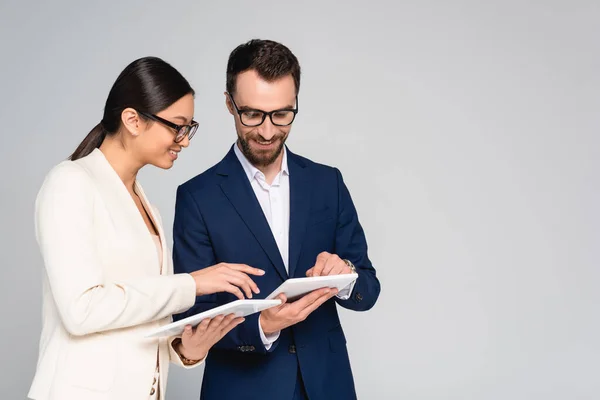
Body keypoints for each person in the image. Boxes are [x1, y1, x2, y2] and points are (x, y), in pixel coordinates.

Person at [28, 56, 265, 400]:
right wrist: (192, 284)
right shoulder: (70, 183)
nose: (184, 140)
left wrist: (186, 348)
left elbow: (136, 324)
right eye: (177, 126)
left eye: (189, 128)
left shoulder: (145, 203)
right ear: (132, 120)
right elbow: (82, 311)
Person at [172, 39, 381, 400]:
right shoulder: (197, 197)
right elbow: (190, 318)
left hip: (328, 386)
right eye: (252, 114)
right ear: (229, 104)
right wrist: (263, 325)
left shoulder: (327, 182)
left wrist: (344, 273)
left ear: (296, 103)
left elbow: (368, 289)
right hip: (241, 388)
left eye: (282, 114)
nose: (268, 132)